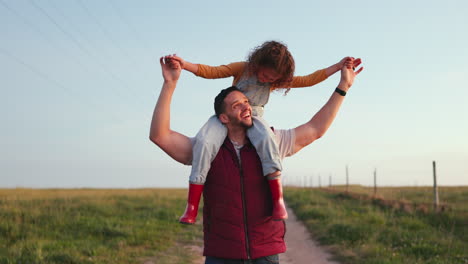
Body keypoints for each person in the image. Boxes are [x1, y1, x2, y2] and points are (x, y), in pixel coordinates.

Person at [149, 55, 363, 263]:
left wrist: (343, 86)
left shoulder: (272, 141)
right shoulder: (206, 148)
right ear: (223, 118)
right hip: (221, 255)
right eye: (236, 105)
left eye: (246, 102)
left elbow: (316, 128)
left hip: (266, 254)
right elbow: (160, 136)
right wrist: (170, 83)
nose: (247, 106)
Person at [164, 41, 352, 224]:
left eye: (272, 79)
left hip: (254, 120)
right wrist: (184, 64)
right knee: (204, 141)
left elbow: (308, 80)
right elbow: (212, 71)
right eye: (264, 75)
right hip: (229, 116)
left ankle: (278, 201)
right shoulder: (242, 68)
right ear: (257, 64)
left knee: (267, 139)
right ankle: (192, 206)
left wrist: (338, 67)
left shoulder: (274, 81)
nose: (267, 81)